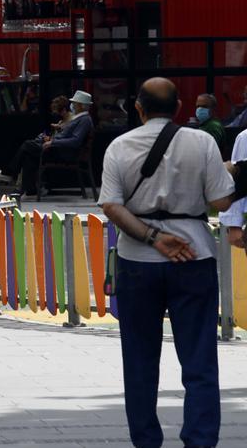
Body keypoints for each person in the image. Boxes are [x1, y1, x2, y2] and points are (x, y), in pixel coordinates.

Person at [99, 78, 237, 448]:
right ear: (179, 109)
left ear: (138, 108)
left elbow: (111, 206)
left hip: (136, 260)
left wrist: (153, 238)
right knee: (199, 362)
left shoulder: (119, 146)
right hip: (194, 256)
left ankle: (146, 441)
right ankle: (200, 440)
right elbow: (222, 202)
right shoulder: (202, 142)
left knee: (140, 361)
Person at [0, 90, 94, 195]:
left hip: (64, 153)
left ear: (81, 105)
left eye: (75, 103)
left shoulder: (84, 120)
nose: (73, 106)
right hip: (58, 149)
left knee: (27, 145)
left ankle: (8, 173)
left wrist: (53, 142)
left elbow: (75, 141)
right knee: (28, 155)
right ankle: (30, 189)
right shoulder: (80, 118)